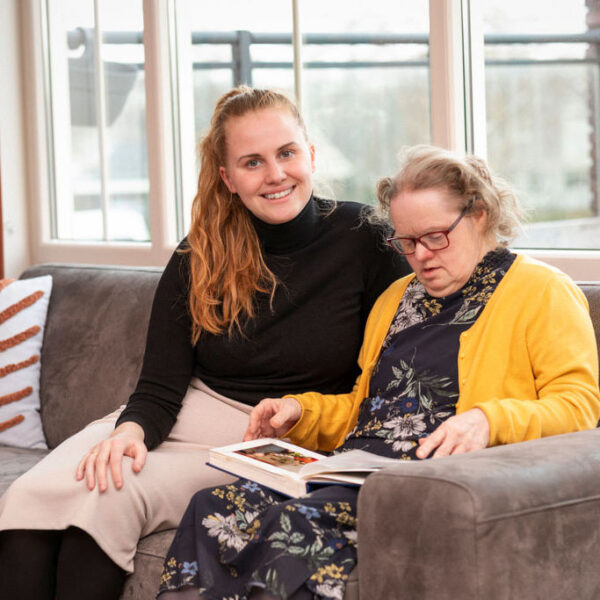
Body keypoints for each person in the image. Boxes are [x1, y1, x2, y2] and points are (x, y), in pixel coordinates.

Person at [0, 87, 409, 600]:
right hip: (184, 412)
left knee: (108, 494)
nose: (275, 174)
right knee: (31, 495)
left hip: (270, 436)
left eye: (286, 153)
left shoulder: (366, 238)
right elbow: (159, 386)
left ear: (310, 154)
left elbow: (394, 370)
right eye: (252, 162)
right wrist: (130, 432)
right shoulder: (200, 253)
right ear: (228, 178)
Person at [156, 145, 600, 600]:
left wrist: (489, 420)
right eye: (406, 242)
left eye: (435, 237)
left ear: (479, 214)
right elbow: (365, 410)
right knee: (212, 507)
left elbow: (580, 406)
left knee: (295, 524)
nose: (420, 256)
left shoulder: (542, 291)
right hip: (351, 469)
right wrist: (300, 412)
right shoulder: (395, 299)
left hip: (422, 482)